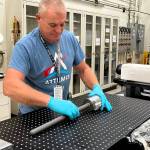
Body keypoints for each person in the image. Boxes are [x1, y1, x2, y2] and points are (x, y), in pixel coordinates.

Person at [3, 0, 112, 119]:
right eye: (53, 25)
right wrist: (50, 102)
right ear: (38, 18)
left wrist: (96, 87)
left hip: (62, 112)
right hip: (33, 115)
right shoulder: (25, 46)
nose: (59, 31)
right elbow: (10, 86)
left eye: (62, 24)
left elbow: (83, 69)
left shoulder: (69, 39)